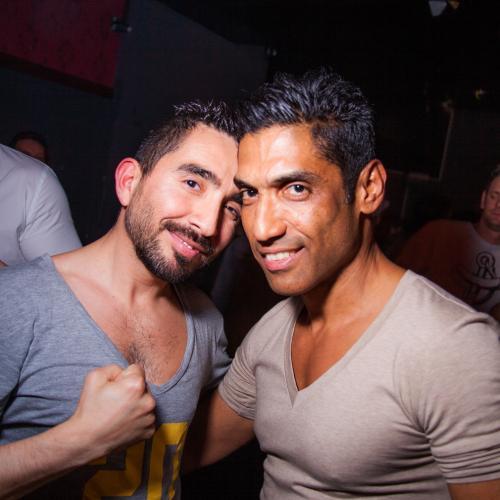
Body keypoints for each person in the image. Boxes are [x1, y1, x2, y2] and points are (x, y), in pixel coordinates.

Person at [185, 69, 500, 499]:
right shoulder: (274, 330)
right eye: (251, 194)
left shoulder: (453, 348)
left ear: (368, 188)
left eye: (296, 188)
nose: (260, 229)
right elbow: (192, 449)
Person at [0, 101, 242, 498]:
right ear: (129, 181)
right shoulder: (14, 301)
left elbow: (195, 442)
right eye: (193, 183)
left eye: (231, 208)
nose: (208, 224)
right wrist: (78, 442)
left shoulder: (207, 324)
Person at [398, 165, 500, 314]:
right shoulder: (439, 233)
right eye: (494, 196)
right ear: (483, 199)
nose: (499, 204)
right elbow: (396, 280)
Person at [0, 144, 82, 265]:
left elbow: (66, 271)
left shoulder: (38, 183)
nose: (32, 160)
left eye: (39, 158)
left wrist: (7, 274)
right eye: (26, 154)